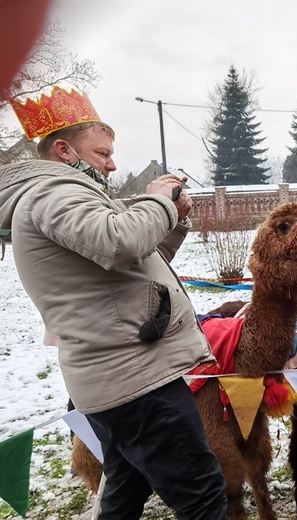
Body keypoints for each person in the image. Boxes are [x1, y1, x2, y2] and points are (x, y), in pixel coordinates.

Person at [0, 87, 228, 519]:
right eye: (102, 153)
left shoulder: (61, 194)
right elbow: (121, 241)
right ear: (65, 150)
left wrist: (171, 222)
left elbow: (133, 268)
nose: (112, 164)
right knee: (202, 495)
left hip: (118, 378)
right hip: (135, 381)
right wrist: (157, 198)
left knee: (124, 491)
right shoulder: (54, 193)